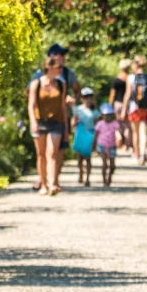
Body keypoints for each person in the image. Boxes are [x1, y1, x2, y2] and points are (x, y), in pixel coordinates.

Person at [29, 44, 80, 190]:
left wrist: (73, 99)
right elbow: (30, 100)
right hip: (40, 121)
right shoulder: (37, 79)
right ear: (52, 58)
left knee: (55, 152)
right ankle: (43, 182)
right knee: (42, 154)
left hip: (57, 120)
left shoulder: (65, 77)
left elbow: (77, 91)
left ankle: (53, 182)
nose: (63, 59)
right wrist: (33, 121)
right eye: (60, 55)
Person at [122, 55, 147, 165]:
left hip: (134, 107)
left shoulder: (131, 78)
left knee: (135, 133)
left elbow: (127, 95)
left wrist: (123, 109)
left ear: (135, 65)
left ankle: (136, 154)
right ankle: (143, 154)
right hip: (146, 108)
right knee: (144, 132)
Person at [72, 87, 98, 187]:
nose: (88, 99)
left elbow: (97, 126)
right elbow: (74, 121)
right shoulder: (78, 109)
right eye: (85, 97)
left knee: (87, 158)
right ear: (82, 98)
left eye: (89, 97)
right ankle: (80, 173)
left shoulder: (95, 112)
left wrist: (96, 140)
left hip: (90, 135)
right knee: (79, 158)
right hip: (80, 134)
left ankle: (87, 178)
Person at [93, 103, 120, 187]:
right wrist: (93, 146)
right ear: (102, 115)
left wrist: (120, 140)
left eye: (109, 115)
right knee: (104, 163)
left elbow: (118, 132)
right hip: (101, 145)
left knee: (112, 165)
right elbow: (96, 135)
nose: (107, 117)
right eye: (105, 115)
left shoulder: (115, 124)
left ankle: (110, 177)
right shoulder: (99, 124)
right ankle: (104, 180)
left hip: (112, 146)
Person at [108, 59, 131, 150]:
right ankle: (127, 145)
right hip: (128, 104)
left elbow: (112, 94)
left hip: (118, 103)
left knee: (118, 124)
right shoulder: (131, 78)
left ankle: (119, 140)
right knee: (127, 125)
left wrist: (110, 105)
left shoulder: (117, 79)